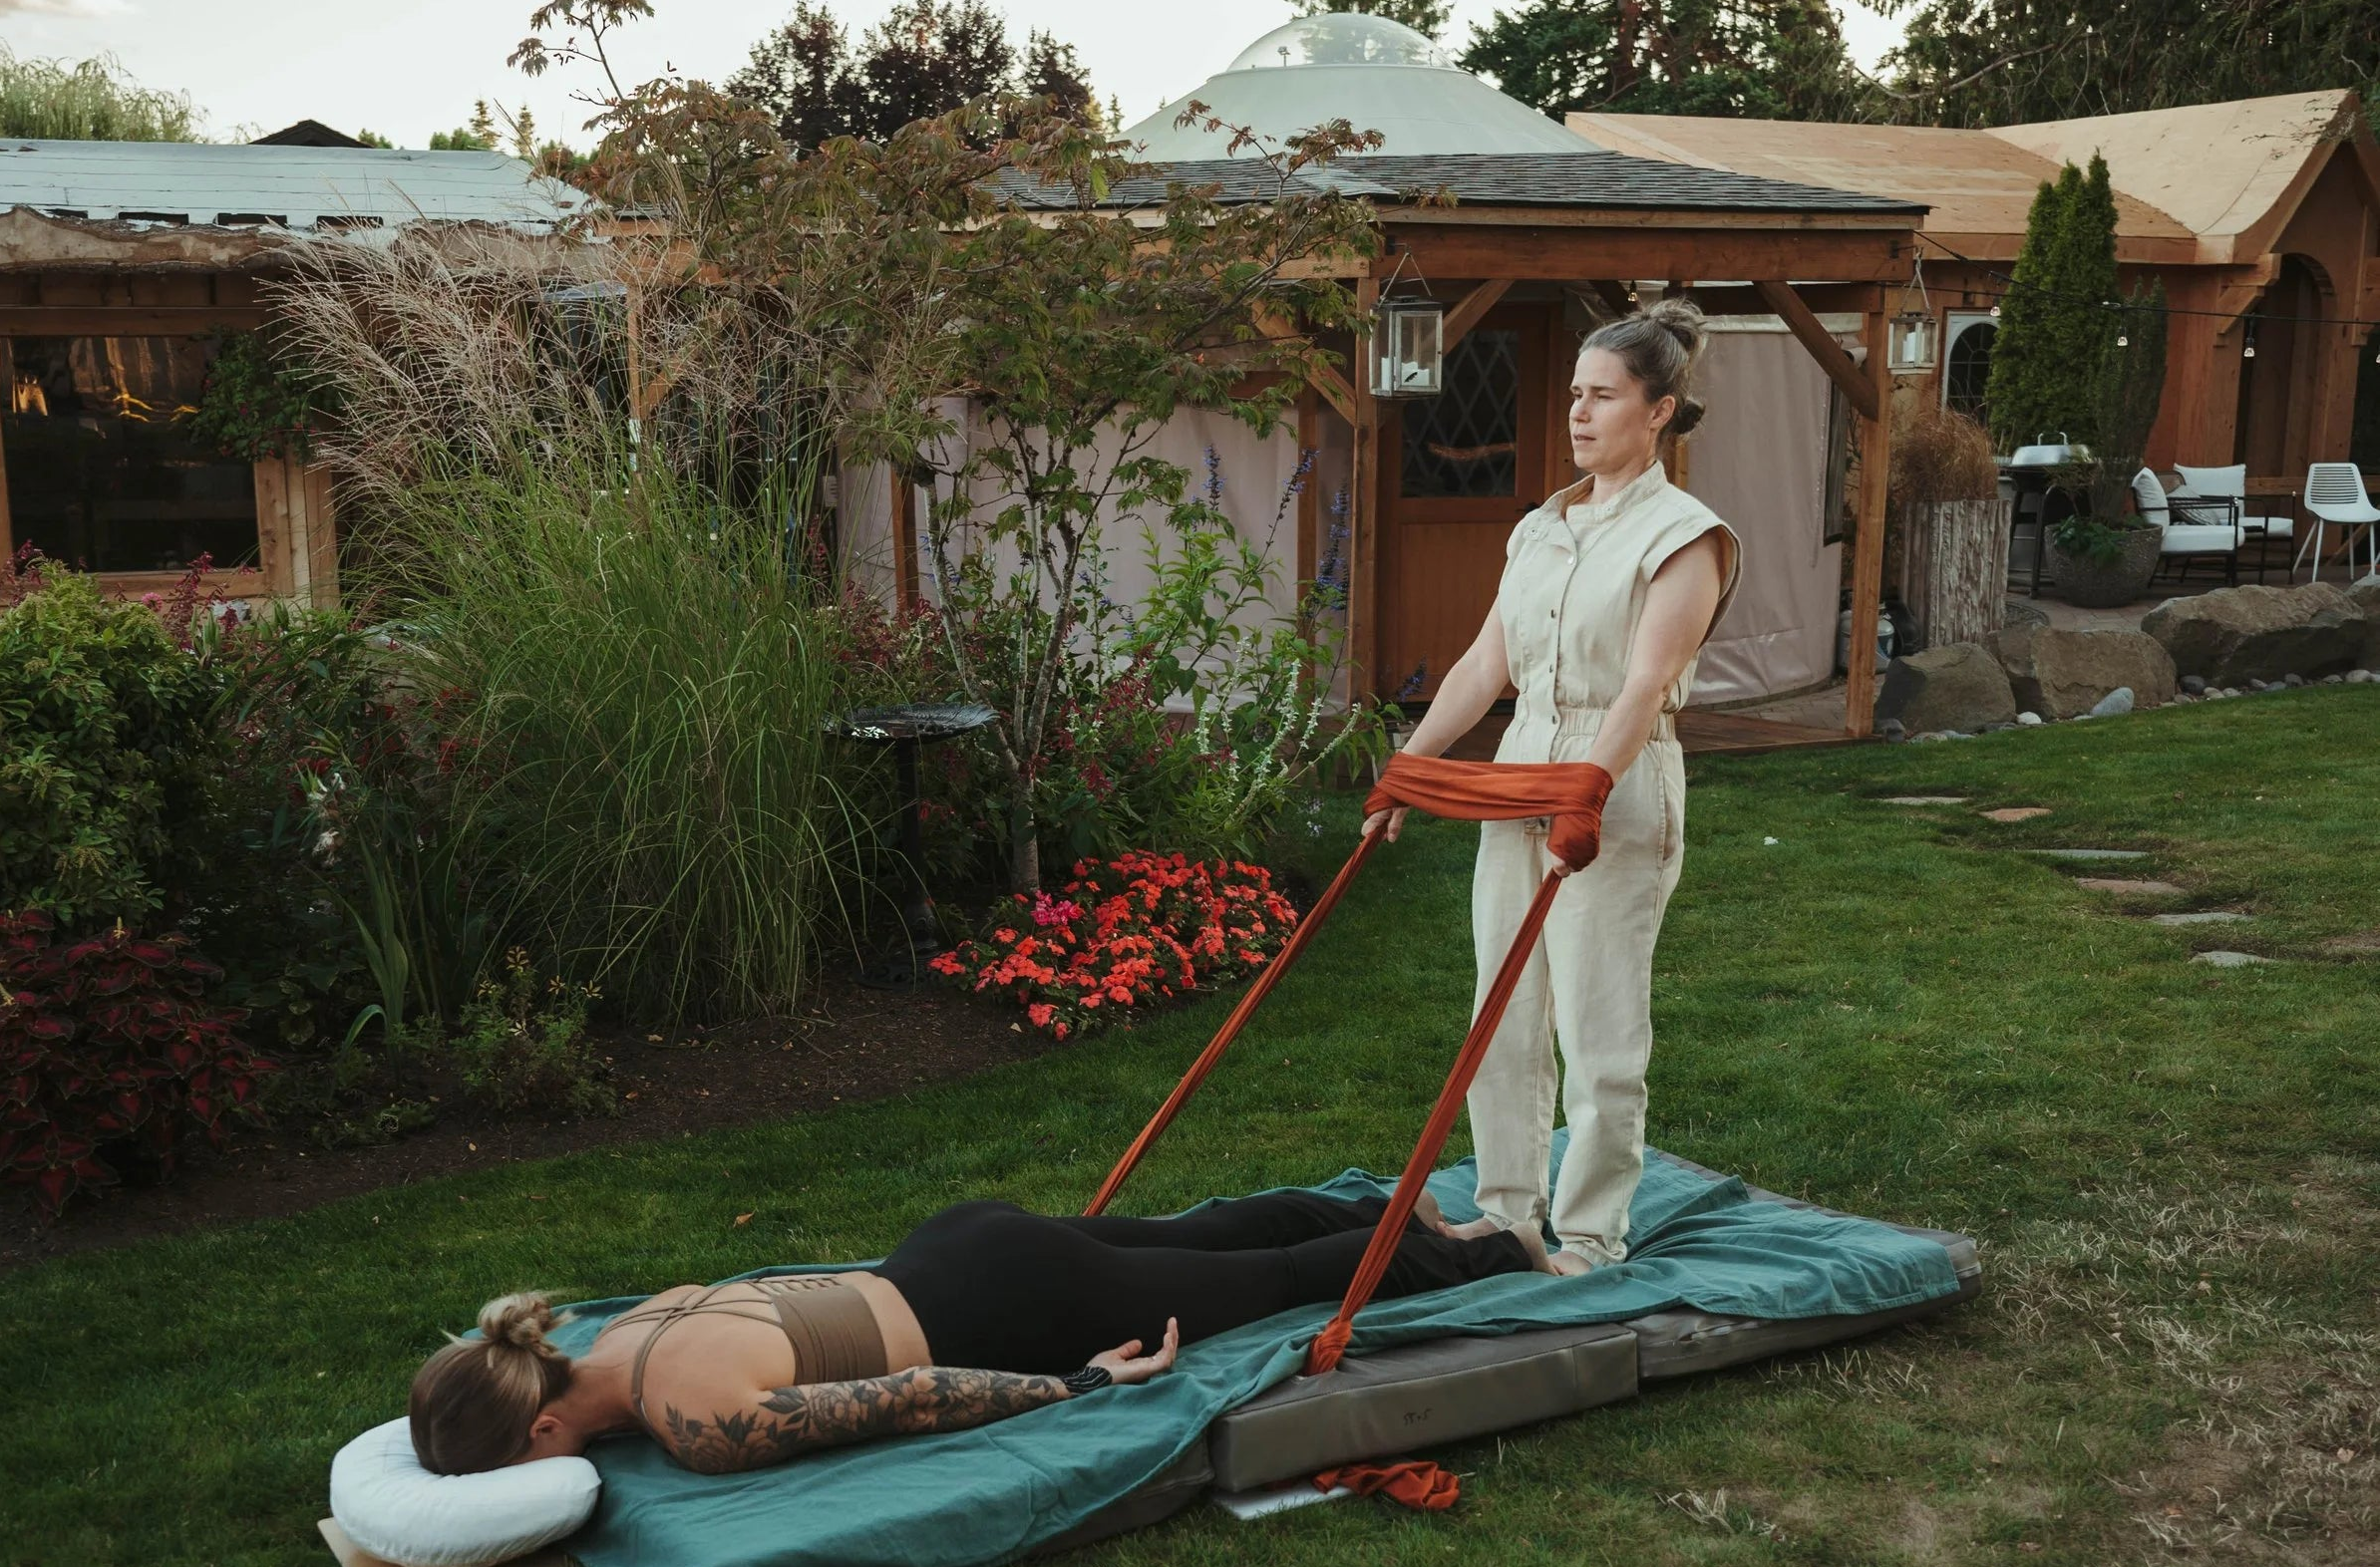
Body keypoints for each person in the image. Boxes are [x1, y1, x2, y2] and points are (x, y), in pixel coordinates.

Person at [1370, 300, 1740, 1274]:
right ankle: (1506, 1214)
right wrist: (1407, 764)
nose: (1578, 411)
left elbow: (1643, 683)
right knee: (1503, 1012)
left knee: (1597, 1026)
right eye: (1574, 393)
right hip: (1518, 775)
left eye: (1602, 395)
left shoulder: (1686, 536)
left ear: (1658, 410)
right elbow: (1485, 662)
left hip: (1611, 788)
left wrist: (1585, 789)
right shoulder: (1541, 524)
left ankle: (1585, 1238)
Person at [409, 1187, 1546, 1477]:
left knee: (1271, 1279)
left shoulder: (695, 1425)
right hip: (949, 1243)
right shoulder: (629, 1328)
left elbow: (906, 1398)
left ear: (546, 1425)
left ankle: (1489, 1250)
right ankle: (1385, 1209)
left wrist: (1077, 1384)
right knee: (1210, 1233)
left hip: (1004, 1304)